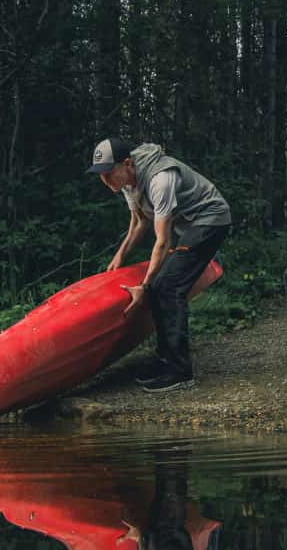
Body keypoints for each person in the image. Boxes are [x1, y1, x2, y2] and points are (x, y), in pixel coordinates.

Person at [87, 137, 231, 393]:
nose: (105, 181)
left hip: (211, 220)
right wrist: (120, 256)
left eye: (109, 174)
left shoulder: (160, 179)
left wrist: (144, 285)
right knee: (160, 285)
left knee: (167, 287)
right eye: (101, 175)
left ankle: (179, 371)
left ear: (128, 164)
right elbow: (139, 222)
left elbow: (163, 242)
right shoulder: (128, 183)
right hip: (189, 225)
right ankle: (165, 362)